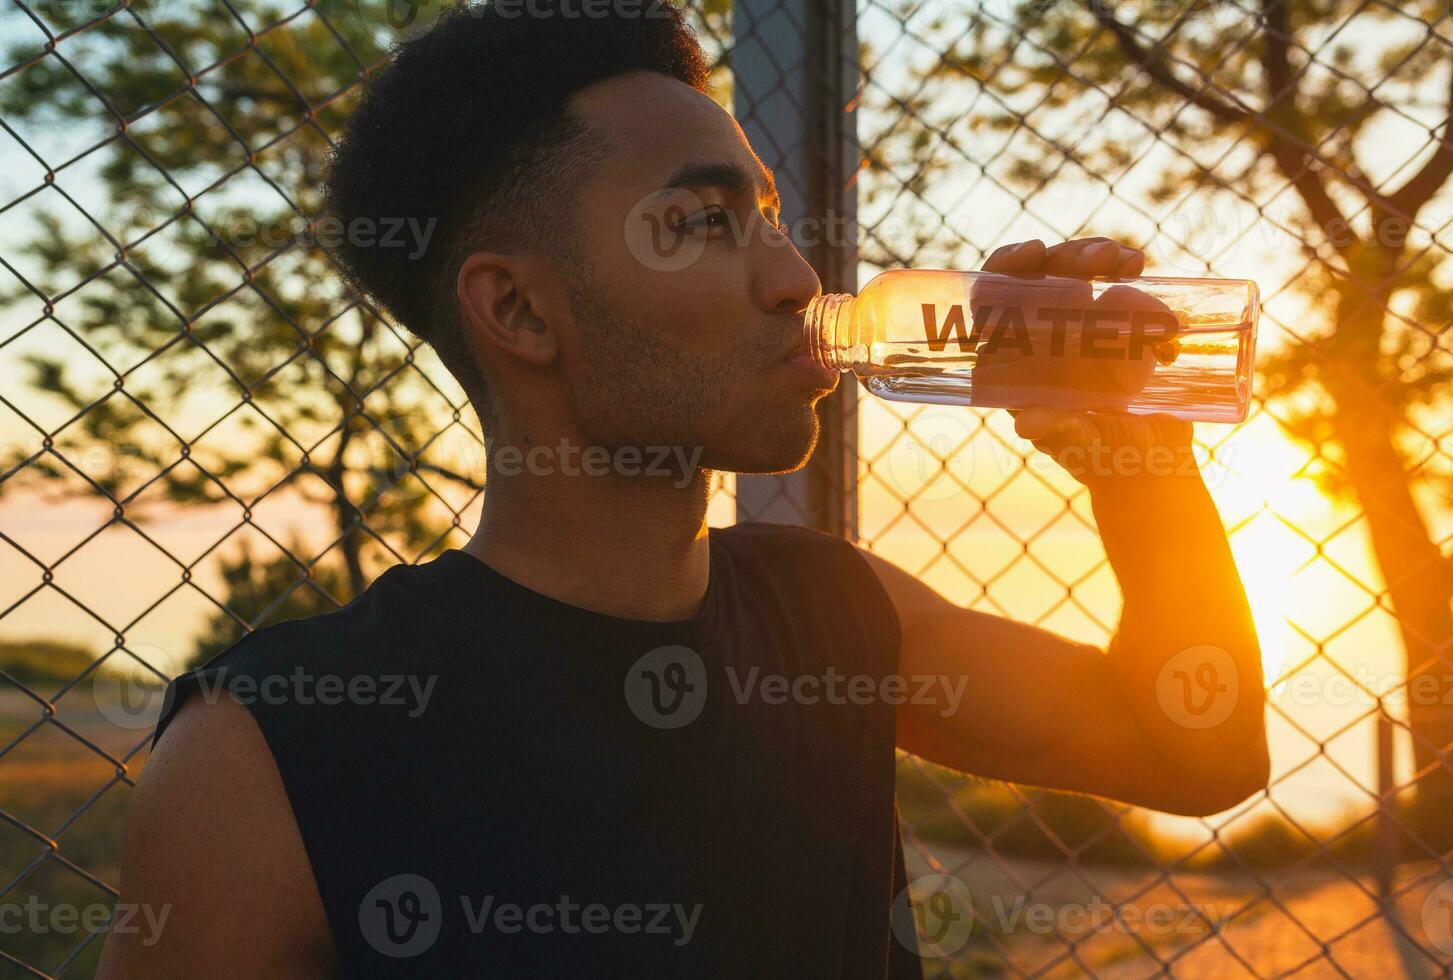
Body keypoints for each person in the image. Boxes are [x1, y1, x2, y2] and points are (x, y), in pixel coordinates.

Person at [96, 1, 1267, 976]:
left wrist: (1133, 450)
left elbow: (1195, 750)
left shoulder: (837, 612)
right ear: (516, 308)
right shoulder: (270, 750)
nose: (797, 275)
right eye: (706, 221)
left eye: (765, 214)